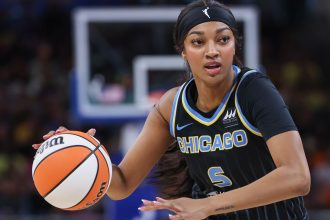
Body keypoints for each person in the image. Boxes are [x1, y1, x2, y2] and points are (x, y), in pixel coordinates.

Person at [33, 0, 311, 219]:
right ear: (183, 51)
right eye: (198, 42)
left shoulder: (253, 90)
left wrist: (209, 205)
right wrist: (85, 154)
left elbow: (297, 177)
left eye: (223, 39)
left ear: (234, 44)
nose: (212, 50)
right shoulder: (171, 106)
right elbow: (121, 185)